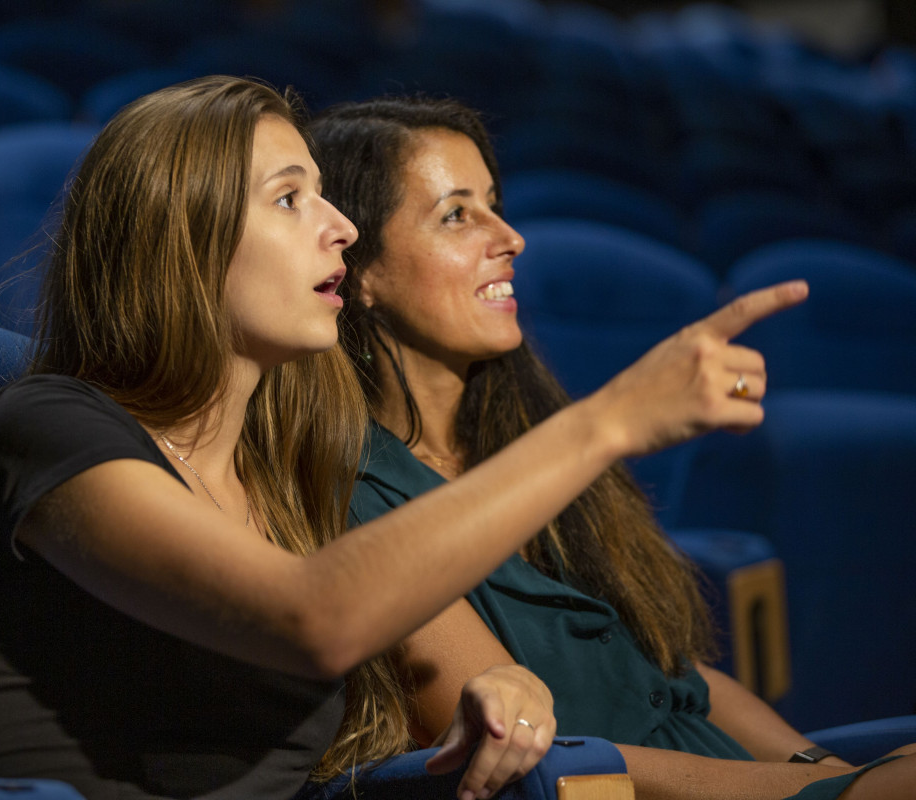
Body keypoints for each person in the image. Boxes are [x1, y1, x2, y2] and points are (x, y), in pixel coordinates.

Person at [0, 75, 808, 800]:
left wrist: (505, 684)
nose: (341, 226)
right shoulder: (49, 427)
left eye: (325, 194)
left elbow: (439, 666)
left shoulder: (292, 480)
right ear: (184, 240)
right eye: (289, 199)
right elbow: (313, 617)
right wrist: (609, 421)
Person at [308, 95, 915, 800]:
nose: (509, 236)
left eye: (496, 204)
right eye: (456, 215)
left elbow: (674, 676)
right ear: (364, 272)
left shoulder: (525, 440)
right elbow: (541, 763)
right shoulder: (354, 495)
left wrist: (824, 770)